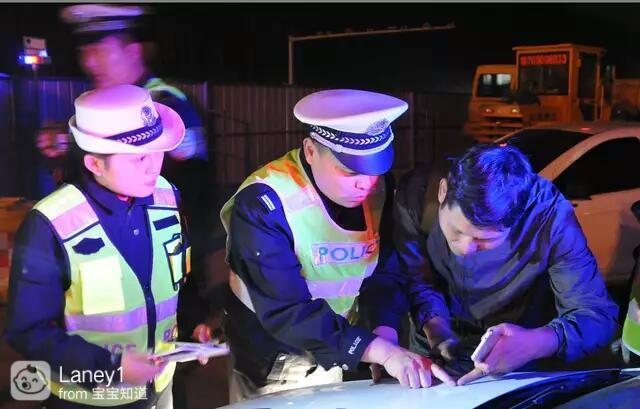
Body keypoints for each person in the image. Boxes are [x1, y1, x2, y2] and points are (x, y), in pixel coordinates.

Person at [220, 89, 455, 402]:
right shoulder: (264, 202)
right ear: (310, 150)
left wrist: (383, 331)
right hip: (272, 363)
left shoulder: (377, 188)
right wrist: (378, 351)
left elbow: (383, 271)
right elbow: (286, 310)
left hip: (338, 350)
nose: (365, 183)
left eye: (375, 171)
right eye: (349, 170)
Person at [4, 85, 204, 408]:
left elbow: (177, 281)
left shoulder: (167, 196)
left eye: (157, 151)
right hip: (89, 399)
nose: (153, 167)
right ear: (95, 164)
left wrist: (198, 327)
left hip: (161, 391)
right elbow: (29, 331)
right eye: (138, 157)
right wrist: (113, 367)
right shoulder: (50, 224)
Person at [394, 143, 619, 385]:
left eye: (484, 240)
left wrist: (536, 342)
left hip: (516, 358)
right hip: (432, 352)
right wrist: (437, 331)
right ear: (442, 191)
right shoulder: (417, 196)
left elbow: (596, 316)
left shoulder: (549, 217)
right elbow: (414, 277)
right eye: (457, 231)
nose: (466, 248)